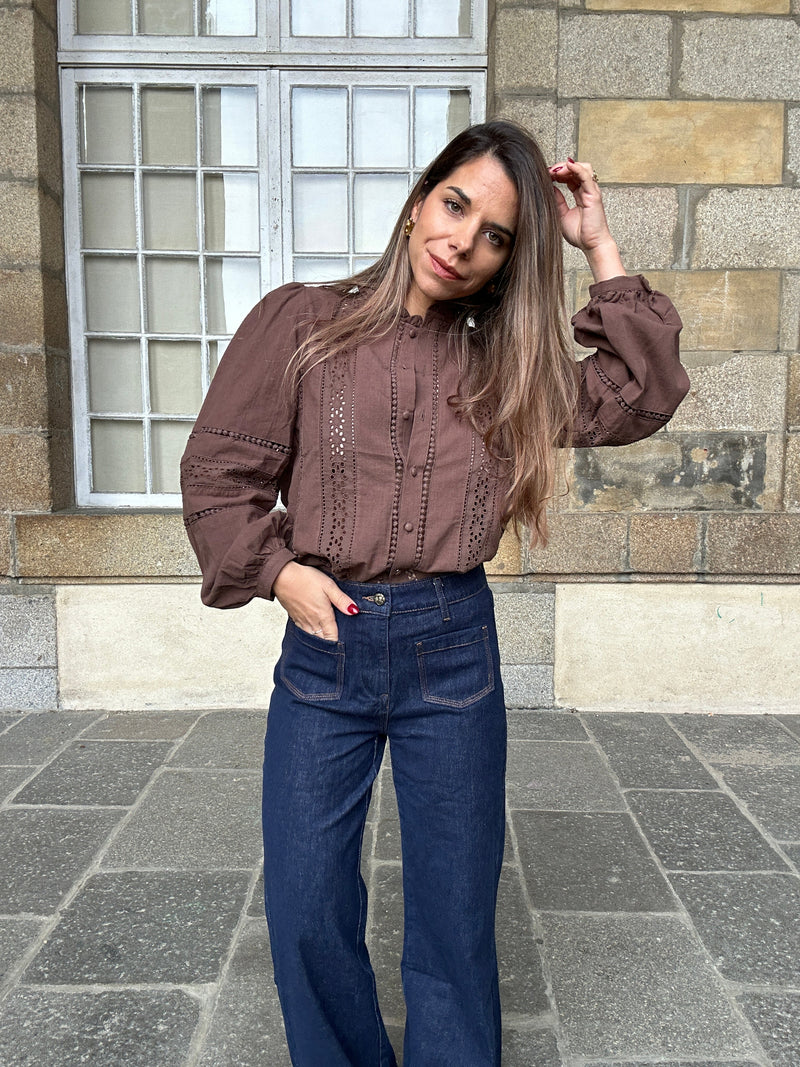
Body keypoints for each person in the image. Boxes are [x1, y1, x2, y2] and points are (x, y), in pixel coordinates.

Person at [180, 120, 688, 1066]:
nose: (463, 242)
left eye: (496, 235)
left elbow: (637, 392)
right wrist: (281, 572)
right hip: (326, 644)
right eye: (457, 206)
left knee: (455, 918)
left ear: (507, 262)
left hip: (453, 645)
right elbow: (219, 471)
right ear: (420, 199)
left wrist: (600, 246)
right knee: (304, 904)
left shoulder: (509, 365)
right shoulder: (301, 321)